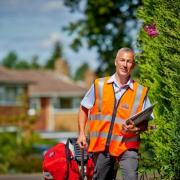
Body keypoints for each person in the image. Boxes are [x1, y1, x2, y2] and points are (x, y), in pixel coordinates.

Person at [77, 48, 153, 180]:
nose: (125, 64)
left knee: (131, 177)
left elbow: (146, 123)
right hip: (101, 148)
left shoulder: (140, 92)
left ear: (133, 66)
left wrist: (136, 128)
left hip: (127, 147)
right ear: (115, 62)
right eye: (122, 60)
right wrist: (82, 134)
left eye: (129, 61)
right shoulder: (99, 84)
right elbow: (83, 108)